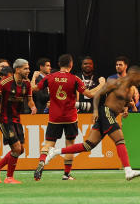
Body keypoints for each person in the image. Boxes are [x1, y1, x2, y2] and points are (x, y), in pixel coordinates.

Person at [44, 65, 140, 181]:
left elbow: (124, 102)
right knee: (119, 139)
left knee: (88, 145)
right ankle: (128, 171)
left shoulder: (132, 89)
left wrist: (126, 109)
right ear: (133, 75)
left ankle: (55, 151)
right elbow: (98, 95)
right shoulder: (116, 83)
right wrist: (96, 111)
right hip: (106, 112)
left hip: (111, 115)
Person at [33, 53, 95, 181]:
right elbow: (89, 94)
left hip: (54, 117)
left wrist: (33, 77)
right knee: (69, 145)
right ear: (71, 65)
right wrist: (102, 85)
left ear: (59, 64)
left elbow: (33, 89)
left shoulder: (50, 77)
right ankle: (66, 174)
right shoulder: (75, 79)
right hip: (70, 117)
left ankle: (42, 162)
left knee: (49, 143)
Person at [0, 59, 36, 184]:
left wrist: (33, 106)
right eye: (25, 68)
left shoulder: (27, 84)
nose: (28, 71)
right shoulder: (5, 83)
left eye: (28, 68)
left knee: (21, 149)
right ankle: (9, 178)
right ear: (17, 69)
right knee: (16, 148)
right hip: (4, 119)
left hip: (16, 119)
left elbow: (30, 100)